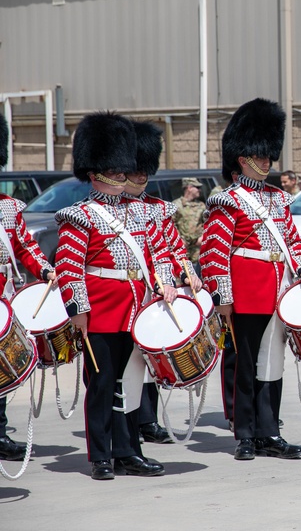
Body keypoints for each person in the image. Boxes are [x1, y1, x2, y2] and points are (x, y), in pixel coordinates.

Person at [54, 111, 177, 480]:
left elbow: (159, 253)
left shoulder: (141, 212)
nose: (124, 176)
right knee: (103, 384)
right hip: (101, 311)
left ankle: (128, 451)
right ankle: (101, 456)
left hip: (136, 309)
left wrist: (166, 281)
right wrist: (78, 309)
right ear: (96, 173)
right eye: (117, 170)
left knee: (132, 385)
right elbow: (69, 266)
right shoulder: (80, 216)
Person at [201, 98, 301, 461]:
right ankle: (245, 433)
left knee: (272, 365)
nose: (266, 162)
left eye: (269, 156)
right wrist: (223, 296)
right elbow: (214, 253)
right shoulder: (228, 201)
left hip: (278, 289)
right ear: (243, 158)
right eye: (260, 156)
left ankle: (270, 431)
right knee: (246, 364)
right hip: (247, 292)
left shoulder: (279, 199)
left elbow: (291, 239)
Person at [124, 120, 203, 445]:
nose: (142, 176)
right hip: (128, 294)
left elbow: (174, 249)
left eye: (145, 170)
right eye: (136, 170)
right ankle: (131, 423)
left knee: (151, 357)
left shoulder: (159, 209)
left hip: (157, 292)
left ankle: (148, 421)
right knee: (130, 363)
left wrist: (187, 272)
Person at [0, 113, 57, 462]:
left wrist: (46, 270)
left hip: (3, 300)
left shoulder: (8, 208)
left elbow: (26, 246)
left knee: (2, 367)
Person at [172, 177, 206, 268]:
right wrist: (178, 239)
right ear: (189, 188)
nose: (200, 190)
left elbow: (208, 223)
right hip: (182, 248)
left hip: (197, 249)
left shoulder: (201, 206)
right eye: (197, 188)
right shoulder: (176, 205)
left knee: (198, 275)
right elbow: (170, 225)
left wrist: (203, 237)